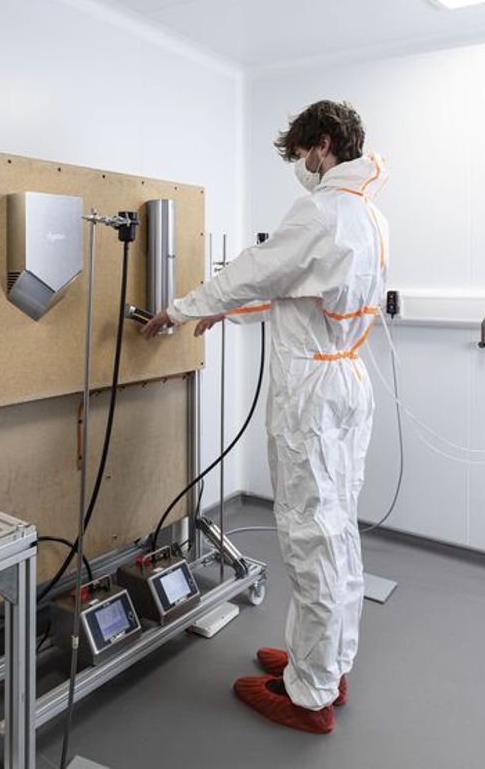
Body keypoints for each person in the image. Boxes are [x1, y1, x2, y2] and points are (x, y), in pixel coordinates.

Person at [142, 100, 388, 735]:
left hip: (312, 390)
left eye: (303, 153)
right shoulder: (367, 215)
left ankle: (309, 695)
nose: (301, 169)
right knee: (337, 531)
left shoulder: (323, 209)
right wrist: (231, 311)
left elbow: (258, 271)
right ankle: (328, 662)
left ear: (324, 144)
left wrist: (182, 308)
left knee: (312, 534)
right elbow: (301, 291)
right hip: (347, 379)